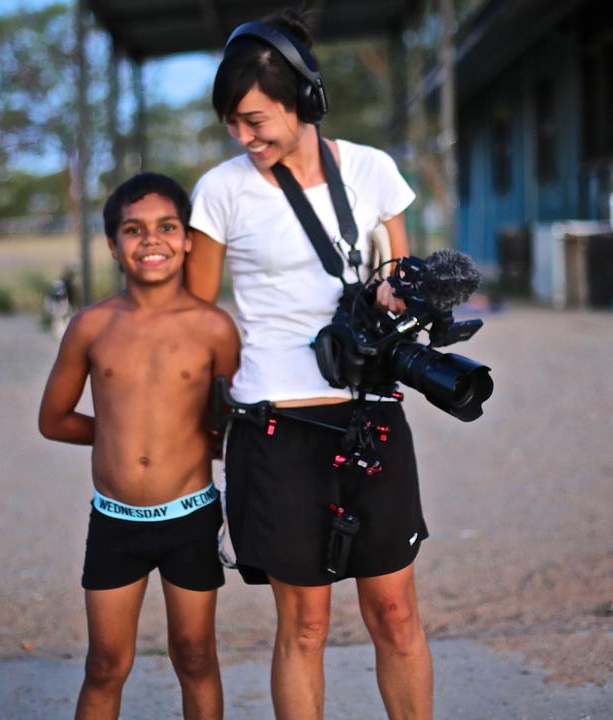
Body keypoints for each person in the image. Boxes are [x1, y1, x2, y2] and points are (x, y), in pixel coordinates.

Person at [185, 10, 433, 720]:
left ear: (305, 101)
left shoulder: (372, 172)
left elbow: (400, 281)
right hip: (276, 427)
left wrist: (403, 299)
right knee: (305, 627)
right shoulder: (222, 191)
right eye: (232, 123)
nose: (244, 137)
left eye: (256, 119)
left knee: (395, 614)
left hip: (373, 416)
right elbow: (199, 319)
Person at [39, 172, 241, 720]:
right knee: (105, 663)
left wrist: (196, 441)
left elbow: (230, 429)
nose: (151, 240)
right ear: (113, 245)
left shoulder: (214, 329)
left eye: (167, 227)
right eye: (134, 229)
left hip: (192, 516)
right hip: (115, 520)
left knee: (196, 655)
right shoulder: (90, 326)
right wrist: (115, 435)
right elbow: (53, 420)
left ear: (189, 239)